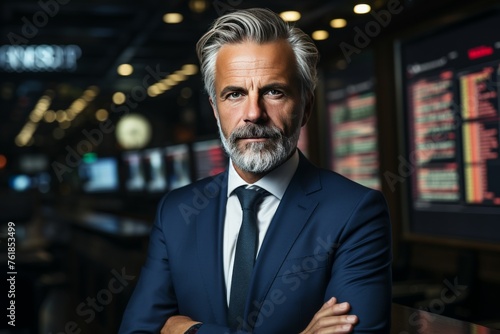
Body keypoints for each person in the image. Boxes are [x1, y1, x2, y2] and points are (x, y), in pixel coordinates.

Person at [119, 7, 392, 334]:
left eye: (274, 91)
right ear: (215, 109)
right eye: (234, 94)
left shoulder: (354, 211)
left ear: (305, 106)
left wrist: (186, 330)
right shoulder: (177, 212)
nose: (253, 113)